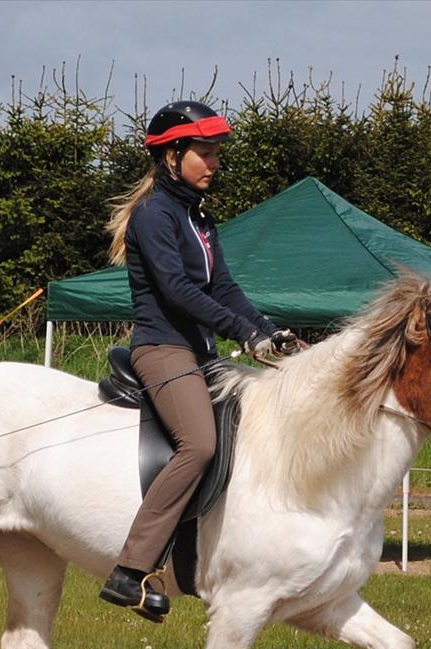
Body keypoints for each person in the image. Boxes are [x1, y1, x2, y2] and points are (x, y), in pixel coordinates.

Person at [99, 100, 292, 621]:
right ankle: (132, 569)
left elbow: (224, 287)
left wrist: (269, 331)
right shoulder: (154, 215)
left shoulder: (197, 216)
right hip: (162, 347)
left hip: (200, 350)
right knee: (200, 443)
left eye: (216, 154)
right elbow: (178, 290)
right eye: (203, 153)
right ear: (171, 156)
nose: (213, 163)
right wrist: (242, 331)